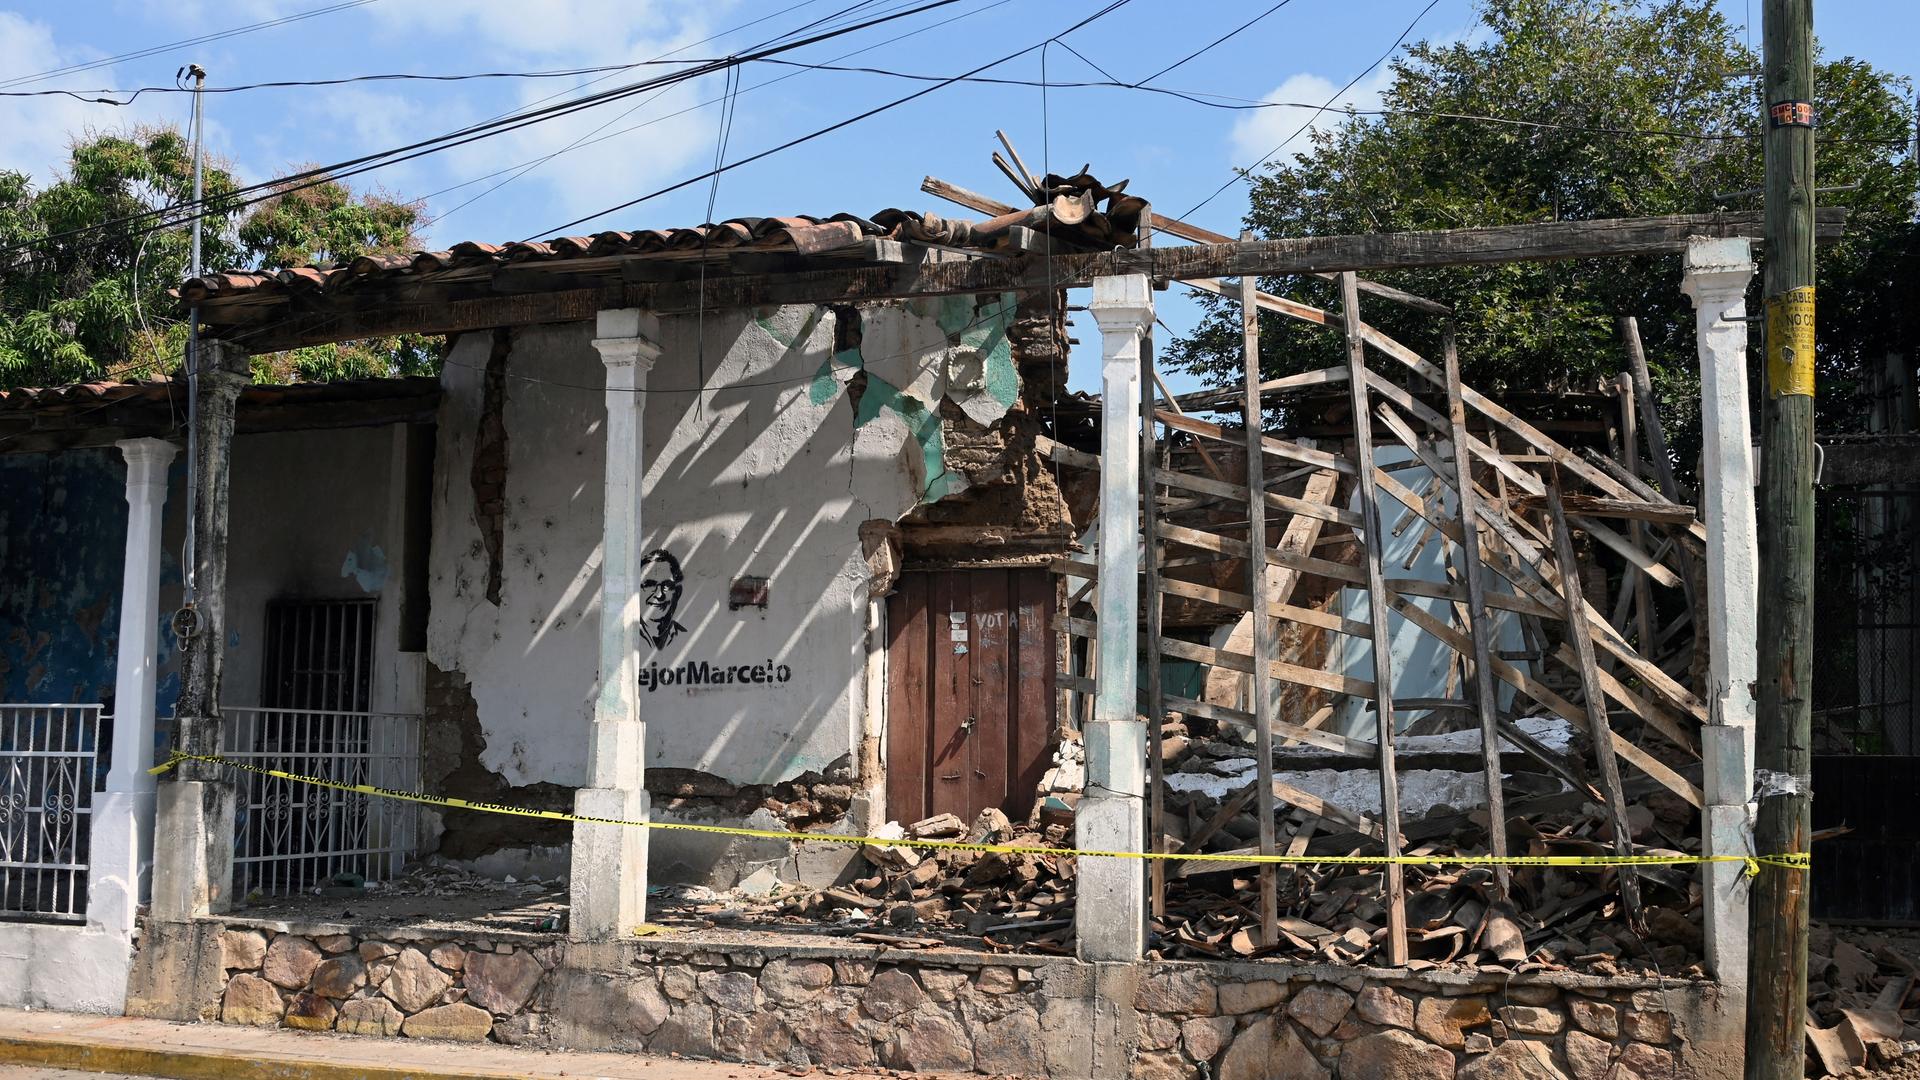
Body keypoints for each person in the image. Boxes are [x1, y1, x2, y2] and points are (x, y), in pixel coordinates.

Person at [638, 548, 688, 650]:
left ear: (677, 593)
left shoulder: (682, 635)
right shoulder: (625, 637)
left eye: (666, 586)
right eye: (649, 585)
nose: (659, 595)